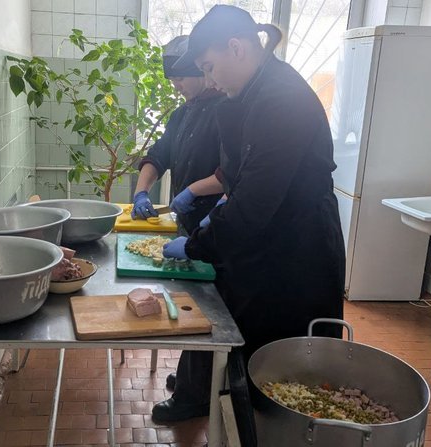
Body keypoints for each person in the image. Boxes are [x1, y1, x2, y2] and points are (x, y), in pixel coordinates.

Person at [152, 5, 346, 423]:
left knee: (283, 374)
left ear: (236, 48)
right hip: (269, 244)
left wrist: (198, 243)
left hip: (298, 253)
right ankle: (225, 405)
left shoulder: (282, 98)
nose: (209, 81)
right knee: (248, 353)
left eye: (209, 67)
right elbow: (242, 173)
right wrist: (217, 210)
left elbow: (256, 201)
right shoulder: (254, 91)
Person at [131, 35, 225, 235]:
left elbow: (234, 172)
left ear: (200, 72)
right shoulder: (181, 114)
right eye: (172, 80)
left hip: (216, 226)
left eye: (180, 79)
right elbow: (158, 156)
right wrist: (141, 192)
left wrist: (193, 191)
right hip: (185, 223)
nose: (176, 86)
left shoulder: (227, 111)